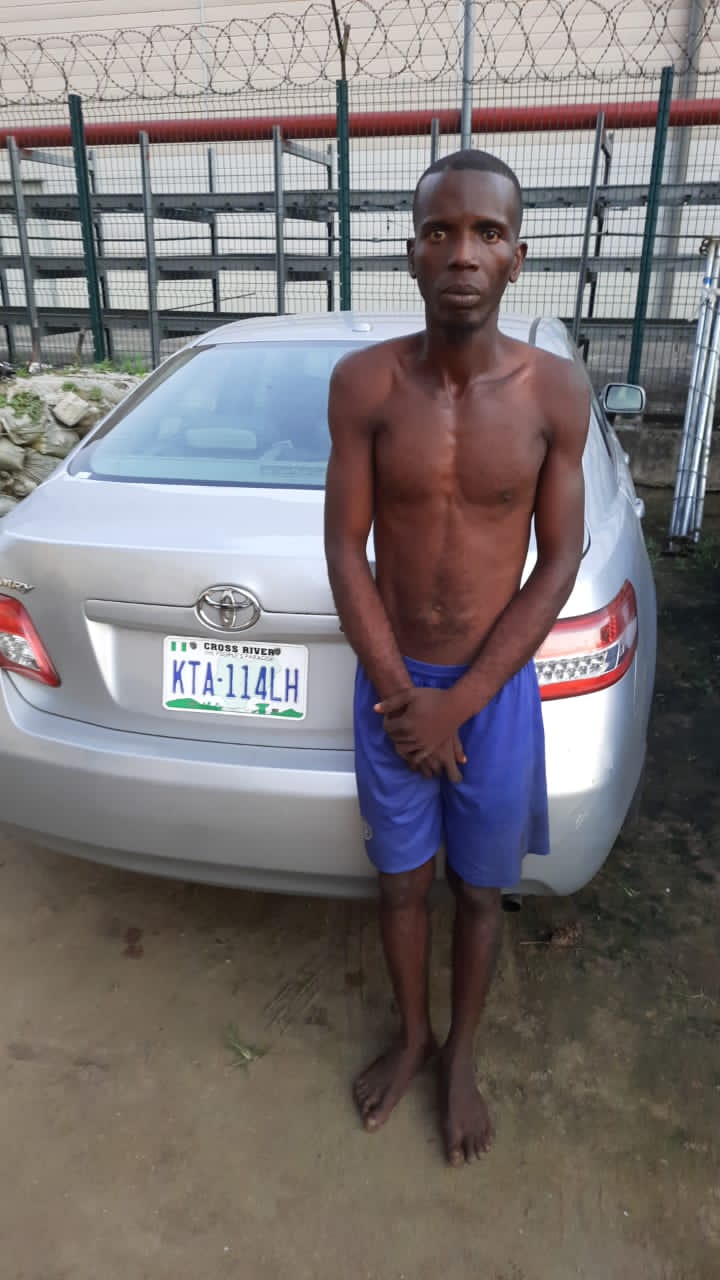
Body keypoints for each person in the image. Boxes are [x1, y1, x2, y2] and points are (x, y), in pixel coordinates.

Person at [324, 149, 589, 1167]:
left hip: (494, 693)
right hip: (395, 689)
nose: (463, 253)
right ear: (412, 254)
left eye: (486, 233)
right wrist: (406, 698)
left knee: (479, 891)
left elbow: (558, 561)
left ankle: (462, 1055)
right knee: (399, 885)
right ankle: (414, 1037)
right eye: (441, 231)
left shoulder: (555, 394)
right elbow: (344, 548)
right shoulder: (365, 385)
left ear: (518, 257)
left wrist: (460, 702)